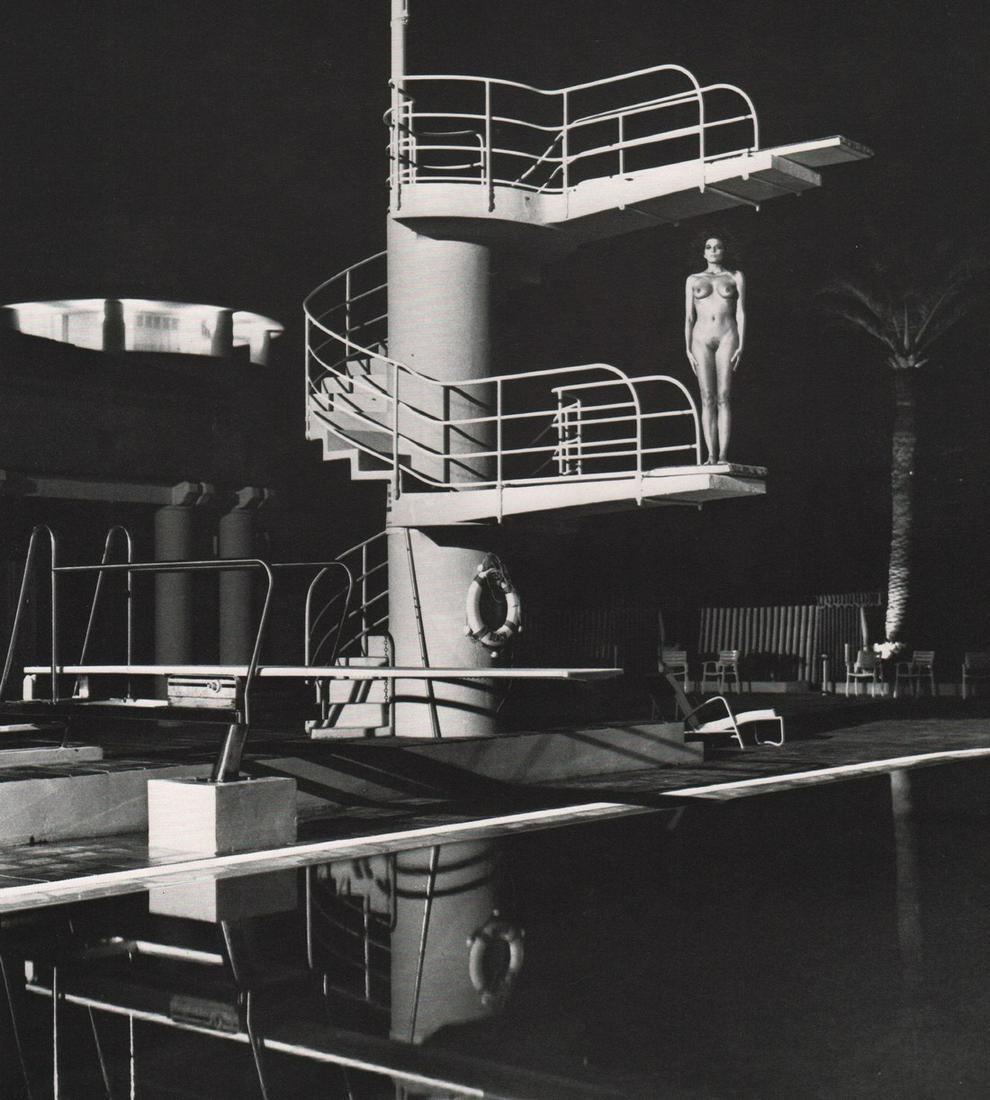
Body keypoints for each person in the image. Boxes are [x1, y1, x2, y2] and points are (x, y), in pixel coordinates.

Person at [684, 235, 745, 464]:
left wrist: (741, 343)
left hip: (727, 335)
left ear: (724, 251)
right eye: (708, 247)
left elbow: (741, 312)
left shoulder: (735, 276)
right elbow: (689, 317)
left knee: (724, 396)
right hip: (700, 339)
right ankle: (710, 454)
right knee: (707, 397)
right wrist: (687, 348)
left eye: (718, 247)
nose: (713, 250)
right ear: (703, 252)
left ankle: (722, 455)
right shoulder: (693, 279)